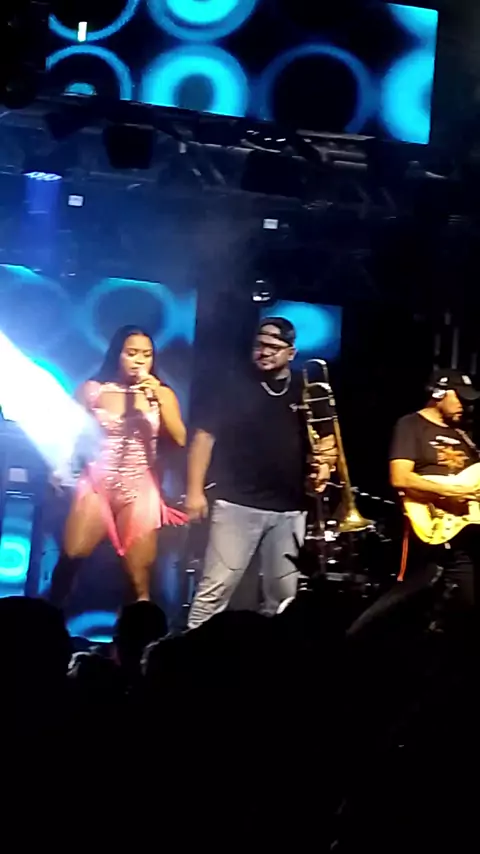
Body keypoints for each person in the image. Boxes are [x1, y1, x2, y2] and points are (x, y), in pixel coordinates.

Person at [185, 317, 337, 629]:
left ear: (291, 353)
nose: (264, 352)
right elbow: (203, 439)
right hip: (237, 504)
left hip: (290, 508)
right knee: (216, 588)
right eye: (259, 345)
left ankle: (269, 656)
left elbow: (328, 439)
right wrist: (194, 491)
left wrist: (324, 465)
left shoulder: (307, 389)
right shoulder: (232, 385)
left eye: (272, 347)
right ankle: (189, 650)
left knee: (283, 597)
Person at [48, 325, 187, 607]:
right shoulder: (93, 390)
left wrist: (158, 397)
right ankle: (48, 618)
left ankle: (137, 630)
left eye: (146, 355)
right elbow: (69, 432)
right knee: (71, 558)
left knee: (139, 576)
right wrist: (60, 468)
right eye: (131, 353)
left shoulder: (162, 394)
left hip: (139, 485)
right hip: (97, 481)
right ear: (117, 355)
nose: (139, 361)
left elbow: (181, 438)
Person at [350, 368, 480, 639]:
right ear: (439, 393)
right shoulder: (411, 425)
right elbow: (400, 477)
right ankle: (355, 638)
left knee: (468, 601)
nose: (465, 405)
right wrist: (450, 492)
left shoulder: (463, 436)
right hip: (425, 525)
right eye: (460, 397)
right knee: (410, 592)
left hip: (463, 530)